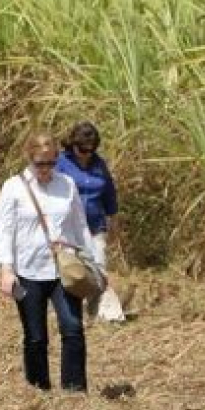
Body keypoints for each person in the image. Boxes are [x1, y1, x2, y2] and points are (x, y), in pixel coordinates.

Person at [0, 132, 106, 392]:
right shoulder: (14, 187)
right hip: (28, 271)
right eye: (39, 164)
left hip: (63, 270)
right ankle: (38, 388)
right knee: (35, 337)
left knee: (72, 328)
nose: (45, 170)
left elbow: (79, 225)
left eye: (50, 163)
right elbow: (4, 230)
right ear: (29, 159)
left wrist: (95, 265)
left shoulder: (66, 184)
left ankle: (74, 390)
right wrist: (6, 270)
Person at [55, 121, 124, 323]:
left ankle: (102, 312)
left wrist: (114, 219)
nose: (86, 154)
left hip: (95, 225)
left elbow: (109, 193)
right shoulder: (60, 163)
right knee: (72, 271)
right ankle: (70, 311)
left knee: (98, 269)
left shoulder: (99, 164)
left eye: (91, 150)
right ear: (72, 145)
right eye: (82, 149)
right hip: (67, 228)